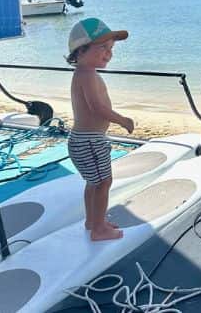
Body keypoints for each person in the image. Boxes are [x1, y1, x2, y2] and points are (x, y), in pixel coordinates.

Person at [66, 17, 134, 241]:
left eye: (111, 48)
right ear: (81, 50)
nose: (109, 53)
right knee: (104, 183)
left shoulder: (84, 73)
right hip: (90, 141)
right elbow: (97, 108)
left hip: (83, 140)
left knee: (93, 183)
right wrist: (122, 120)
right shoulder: (86, 75)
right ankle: (99, 230)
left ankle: (93, 221)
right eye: (103, 47)